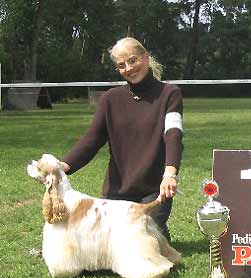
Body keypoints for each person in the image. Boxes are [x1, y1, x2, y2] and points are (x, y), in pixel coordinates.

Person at [63, 37, 183, 241]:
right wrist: (61, 167)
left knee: (143, 244)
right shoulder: (110, 99)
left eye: (132, 60)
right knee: (110, 244)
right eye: (121, 65)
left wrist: (170, 174)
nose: (128, 68)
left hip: (154, 191)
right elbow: (91, 140)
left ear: (145, 58)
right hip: (117, 192)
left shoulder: (170, 94)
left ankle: (159, 235)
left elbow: (173, 134)